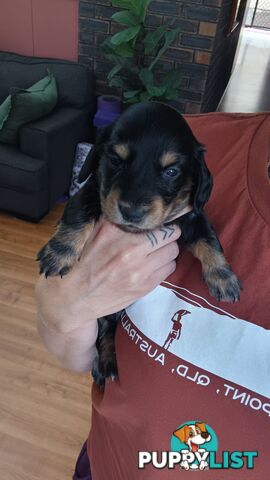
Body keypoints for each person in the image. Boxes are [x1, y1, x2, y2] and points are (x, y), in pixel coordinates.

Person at [36, 112, 270, 479]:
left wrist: (216, 265)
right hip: (103, 461)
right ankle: (107, 346)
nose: (134, 203)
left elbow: (197, 227)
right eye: (115, 160)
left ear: (195, 179)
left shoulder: (192, 178)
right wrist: (61, 303)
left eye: (171, 172)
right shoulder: (209, 133)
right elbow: (84, 204)